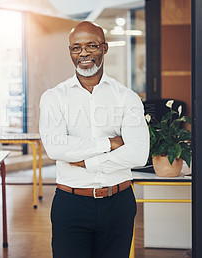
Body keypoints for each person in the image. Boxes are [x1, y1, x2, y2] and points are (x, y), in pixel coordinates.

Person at [39, 21, 149, 258]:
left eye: (91, 46)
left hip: (118, 203)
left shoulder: (126, 97)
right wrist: (109, 144)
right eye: (76, 48)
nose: (84, 53)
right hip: (71, 204)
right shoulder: (54, 98)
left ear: (105, 48)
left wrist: (88, 162)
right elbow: (56, 147)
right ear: (70, 52)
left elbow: (138, 153)